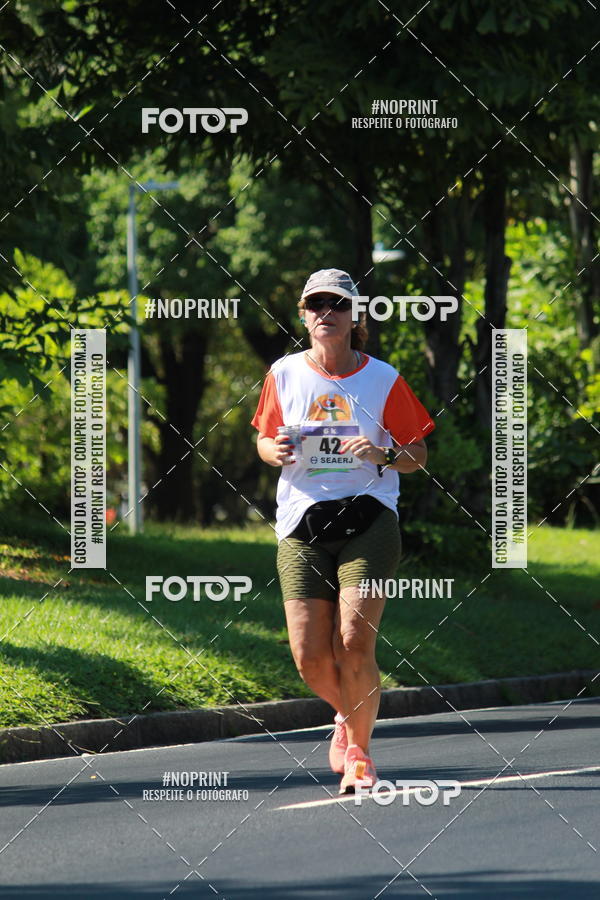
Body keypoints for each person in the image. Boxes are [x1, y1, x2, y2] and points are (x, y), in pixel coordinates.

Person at [251, 268, 435, 793]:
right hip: (302, 524)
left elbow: (418, 456)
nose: (326, 314)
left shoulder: (383, 379)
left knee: (354, 642)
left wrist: (384, 454)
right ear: (303, 315)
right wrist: (275, 451)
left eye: (337, 305)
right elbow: (264, 440)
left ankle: (359, 754)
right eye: (316, 306)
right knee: (310, 657)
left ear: (356, 317)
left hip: (369, 521)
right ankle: (346, 715)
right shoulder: (284, 373)